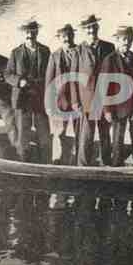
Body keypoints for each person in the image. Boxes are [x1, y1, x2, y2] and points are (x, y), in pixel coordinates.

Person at [5, 19, 51, 163]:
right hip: (22, 100)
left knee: (43, 134)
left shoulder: (45, 51)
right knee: (22, 135)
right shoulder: (16, 52)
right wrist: (19, 81)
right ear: (23, 34)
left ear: (37, 32)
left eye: (32, 31)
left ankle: (46, 163)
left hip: (40, 99)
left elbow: (50, 74)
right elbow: (8, 75)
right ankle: (23, 162)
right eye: (26, 32)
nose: (29, 34)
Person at [99, 25, 133, 166]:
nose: (127, 42)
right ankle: (116, 164)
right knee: (118, 137)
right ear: (117, 40)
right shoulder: (110, 60)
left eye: (129, 39)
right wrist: (107, 110)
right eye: (124, 39)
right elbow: (104, 86)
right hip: (118, 106)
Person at [75, 14, 115, 166]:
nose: (91, 30)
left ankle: (107, 164)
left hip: (105, 99)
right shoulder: (78, 51)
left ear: (97, 27)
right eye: (87, 28)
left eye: (93, 27)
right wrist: (74, 102)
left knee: (105, 134)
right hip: (86, 100)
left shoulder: (109, 47)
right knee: (87, 135)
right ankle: (83, 166)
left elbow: (114, 75)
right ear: (84, 31)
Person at [45, 23, 81, 164]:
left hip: (78, 100)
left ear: (73, 36)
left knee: (79, 132)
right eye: (63, 37)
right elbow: (49, 82)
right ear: (59, 38)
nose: (67, 39)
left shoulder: (80, 52)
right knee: (60, 132)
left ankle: (77, 158)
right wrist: (48, 104)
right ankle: (59, 159)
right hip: (61, 101)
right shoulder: (54, 56)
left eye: (69, 36)